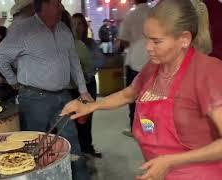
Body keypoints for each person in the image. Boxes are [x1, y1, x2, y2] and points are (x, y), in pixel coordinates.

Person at [62, 0, 222, 179]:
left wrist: (171, 161)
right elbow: (128, 93)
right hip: (159, 172)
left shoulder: (208, 72)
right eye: (147, 38)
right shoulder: (155, 67)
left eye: (156, 41)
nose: (148, 48)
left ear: (184, 39)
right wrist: (91, 106)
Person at [0, 0, 92, 179]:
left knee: (71, 145)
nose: (60, 7)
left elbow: (74, 62)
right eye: (56, 3)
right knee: (34, 148)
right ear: (42, 5)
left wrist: (83, 91)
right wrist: (12, 80)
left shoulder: (63, 29)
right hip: (33, 99)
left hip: (63, 96)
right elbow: (0, 56)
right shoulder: (23, 29)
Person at [116, 0, 151, 137]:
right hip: (154, 63)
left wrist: (119, 47)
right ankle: (149, 130)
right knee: (150, 99)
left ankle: (135, 129)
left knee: (133, 98)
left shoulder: (131, 16)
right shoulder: (155, 13)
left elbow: (122, 41)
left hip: (135, 63)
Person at [71, 13, 102, 158]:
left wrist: (86, 67)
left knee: (88, 118)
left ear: (84, 26)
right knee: (76, 120)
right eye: (74, 23)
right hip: (74, 88)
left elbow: (100, 61)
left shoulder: (90, 43)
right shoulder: (69, 44)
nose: (77, 27)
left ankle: (88, 147)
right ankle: (79, 150)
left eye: (80, 24)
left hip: (89, 85)